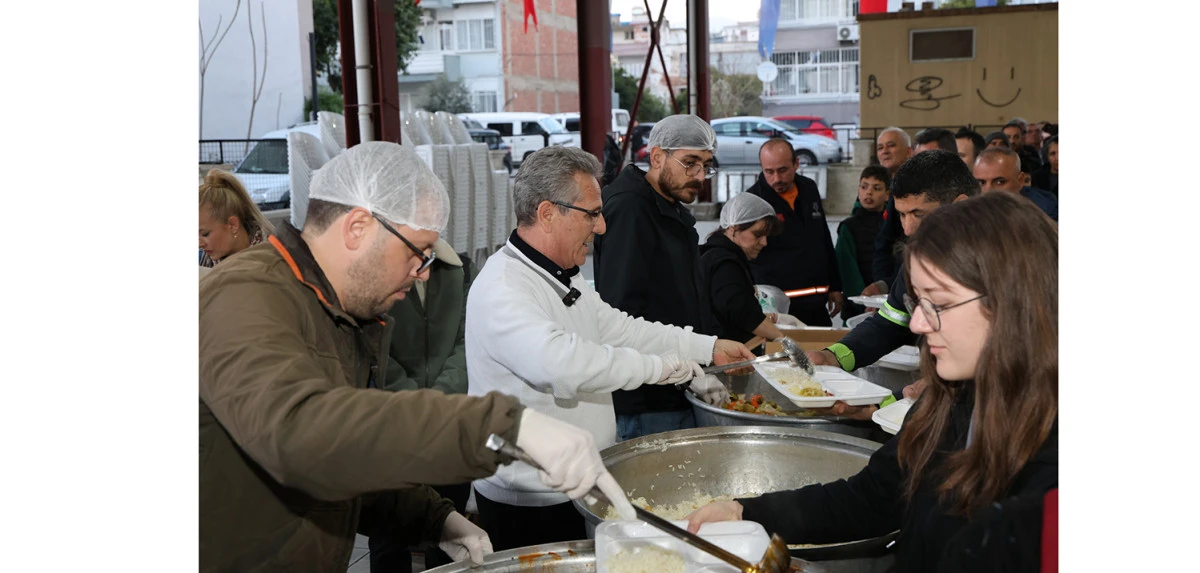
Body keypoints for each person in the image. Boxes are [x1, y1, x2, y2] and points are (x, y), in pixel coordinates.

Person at [199, 141, 635, 572]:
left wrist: (436, 519)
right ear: (357, 228)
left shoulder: (344, 313)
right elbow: (300, 434)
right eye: (416, 251)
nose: (425, 270)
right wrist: (505, 426)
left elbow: (351, 458)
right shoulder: (243, 296)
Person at [686, 191, 1059, 572]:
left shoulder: (1051, 475)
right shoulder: (951, 399)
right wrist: (746, 511)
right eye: (917, 303)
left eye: (939, 304)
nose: (917, 324)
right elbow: (877, 495)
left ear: (1013, 304)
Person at [466, 145, 749, 550]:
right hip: (532, 499)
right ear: (547, 213)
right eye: (592, 214)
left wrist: (708, 346)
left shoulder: (564, 278)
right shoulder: (503, 287)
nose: (600, 228)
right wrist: (667, 368)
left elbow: (623, 330)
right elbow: (564, 365)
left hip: (583, 483)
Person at [806, 150, 981, 419]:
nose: (908, 229)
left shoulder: (1005, 267)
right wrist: (833, 357)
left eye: (919, 214)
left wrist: (944, 387)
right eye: (901, 215)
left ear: (960, 205)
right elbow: (890, 322)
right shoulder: (918, 259)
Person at [593, 114, 728, 440]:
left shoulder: (668, 205)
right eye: (690, 163)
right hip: (647, 398)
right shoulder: (630, 210)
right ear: (656, 157)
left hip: (677, 383)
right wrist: (683, 368)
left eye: (706, 166)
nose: (699, 176)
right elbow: (621, 312)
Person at [368, 239, 475, 573]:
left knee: (449, 527)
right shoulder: (373, 273)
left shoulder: (460, 269)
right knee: (389, 531)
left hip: (450, 419)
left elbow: (468, 340)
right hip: (394, 419)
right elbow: (374, 349)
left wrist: (439, 402)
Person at [745, 138, 843, 326]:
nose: (777, 179)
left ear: (796, 163)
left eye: (783, 170)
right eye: (769, 172)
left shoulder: (809, 189)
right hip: (780, 308)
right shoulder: (754, 201)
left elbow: (823, 237)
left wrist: (835, 286)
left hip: (817, 302)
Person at [700, 191, 790, 351]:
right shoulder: (724, 263)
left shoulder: (720, 256)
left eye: (766, 235)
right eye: (758, 234)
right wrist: (785, 341)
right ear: (733, 228)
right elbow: (742, 313)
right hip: (725, 358)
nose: (764, 242)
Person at [835, 166, 890, 321]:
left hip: (888, 304)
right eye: (864, 187)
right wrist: (864, 301)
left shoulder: (893, 224)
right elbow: (847, 270)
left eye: (876, 188)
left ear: (887, 195)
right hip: (857, 307)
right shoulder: (849, 227)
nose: (869, 192)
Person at [199, 168, 275, 267]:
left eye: (205, 234)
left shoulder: (272, 261)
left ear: (233, 225)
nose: (199, 244)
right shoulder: (207, 257)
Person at [869, 127, 914, 290]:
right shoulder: (893, 185)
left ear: (909, 152)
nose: (885, 151)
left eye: (891, 145)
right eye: (880, 148)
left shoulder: (914, 188)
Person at [974, 147, 1058, 221]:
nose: (988, 191)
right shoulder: (968, 211)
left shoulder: (1045, 213)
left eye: (1000, 182)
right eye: (981, 182)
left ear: (1021, 180)